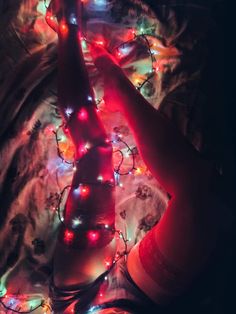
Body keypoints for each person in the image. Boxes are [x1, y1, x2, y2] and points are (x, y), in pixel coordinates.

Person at [49, 1, 224, 313]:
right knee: (204, 193)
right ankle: (117, 85)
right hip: (138, 296)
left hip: (81, 297)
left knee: (97, 152)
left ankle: (67, 23)